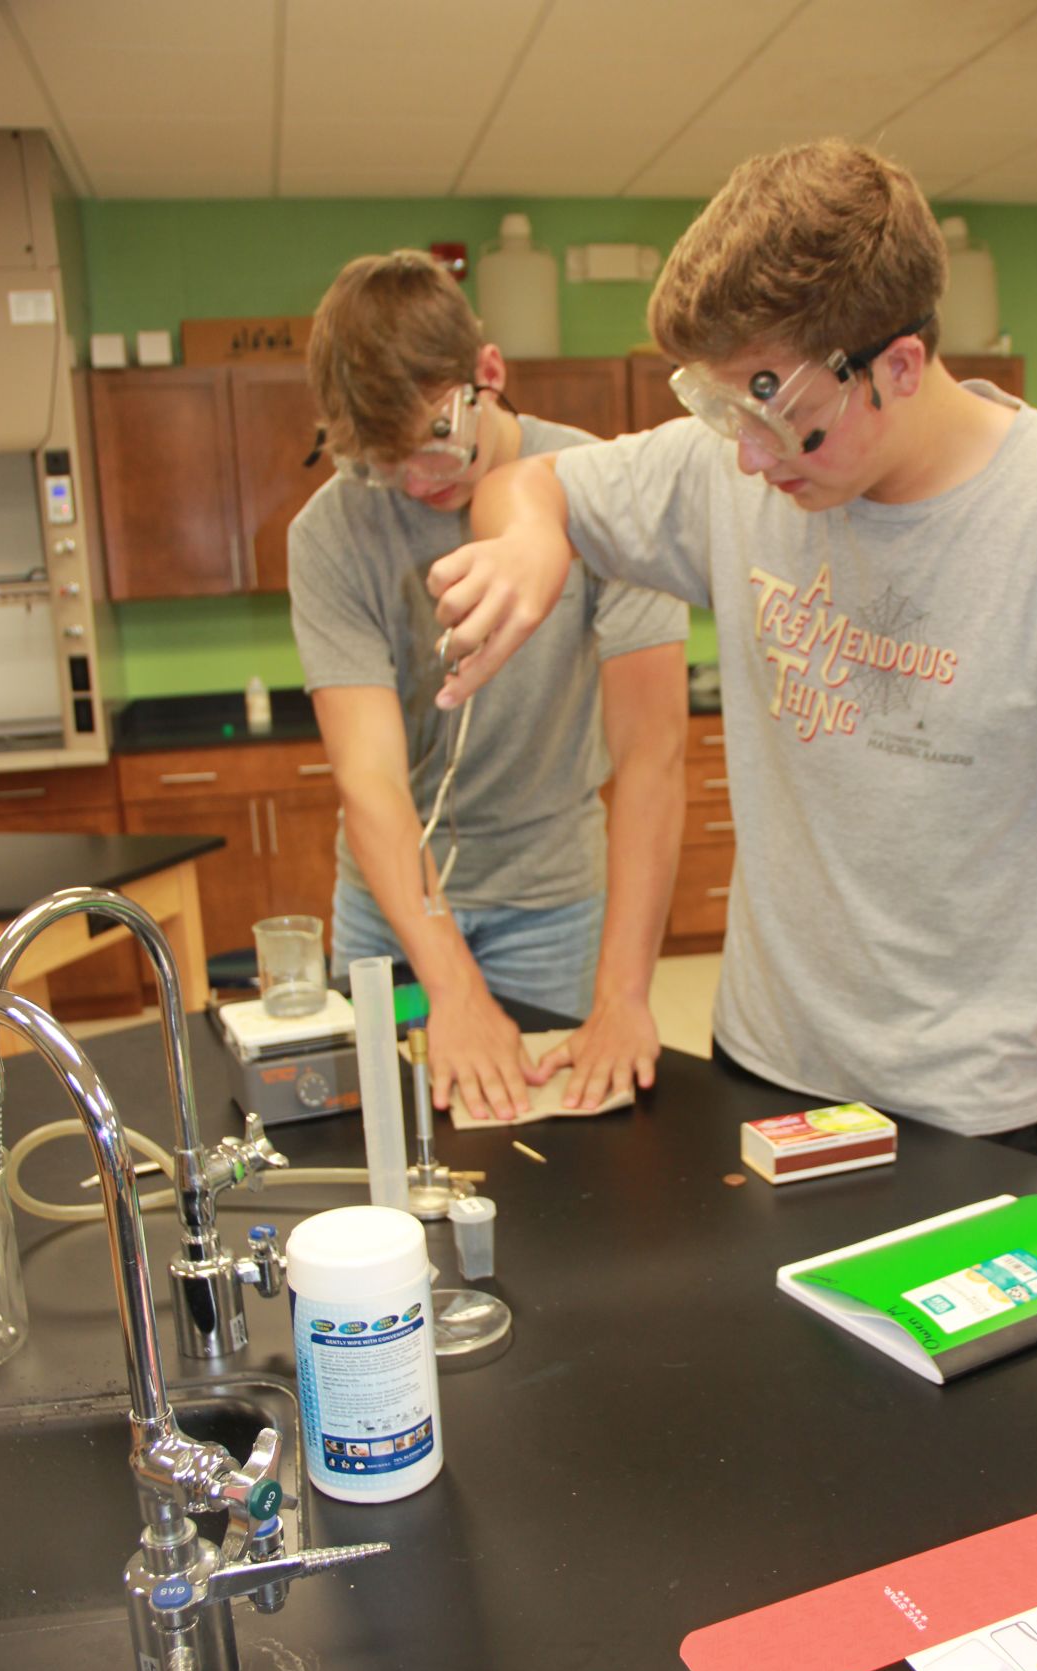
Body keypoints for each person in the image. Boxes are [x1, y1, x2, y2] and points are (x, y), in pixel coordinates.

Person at [426, 139, 1037, 1184]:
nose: (747, 455)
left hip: (983, 1114)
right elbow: (536, 483)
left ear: (901, 366)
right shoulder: (740, 471)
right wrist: (526, 537)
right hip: (766, 1078)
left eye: (775, 412)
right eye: (721, 409)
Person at [288, 249, 689, 1122]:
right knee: (385, 1150)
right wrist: (454, 993)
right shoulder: (329, 533)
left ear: (489, 375)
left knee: (553, 1171)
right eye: (386, 463)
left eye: (436, 439)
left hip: (552, 903)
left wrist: (624, 995)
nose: (422, 483)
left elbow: (651, 758)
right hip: (386, 910)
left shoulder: (603, 494)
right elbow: (371, 783)